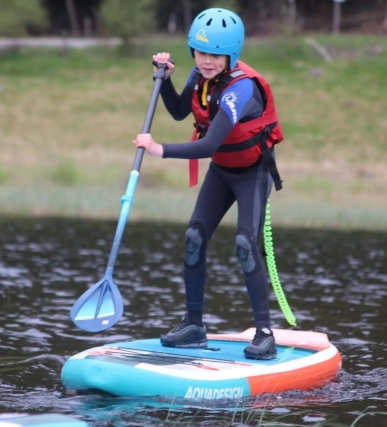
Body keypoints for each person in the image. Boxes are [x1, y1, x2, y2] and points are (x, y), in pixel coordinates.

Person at [132, 7, 284, 360]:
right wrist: (165, 79)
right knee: (194, 238)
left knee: (245, 245)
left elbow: (209, 144)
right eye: (200, 52)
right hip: (222, 170)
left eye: (215, 54)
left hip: (252, 172)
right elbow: (180, 111)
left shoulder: (240, 89)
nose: (206, 60)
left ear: (230, 55)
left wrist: (159, 149)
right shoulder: (199, 77)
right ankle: (193, 326)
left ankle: (264, 334)